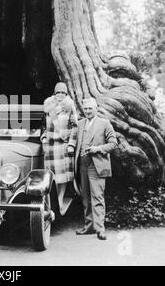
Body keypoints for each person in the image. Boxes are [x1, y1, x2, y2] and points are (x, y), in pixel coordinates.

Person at [68, 97, 117, 240]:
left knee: (98, 197)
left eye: (90, 108)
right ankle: (89, 226)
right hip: (82, 164)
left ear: (96, 109)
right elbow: (73, 139)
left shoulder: (105, 123)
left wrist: (98, 148)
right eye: (86, 109)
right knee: (85, 198)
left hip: (97, 166)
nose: (88, 111)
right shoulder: (80, 123)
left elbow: (113, 143)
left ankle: (100, 229)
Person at [41, 82, 78, 214]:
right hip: (50, 146)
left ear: (66, 94)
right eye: (58, 93)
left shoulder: (69, 106)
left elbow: (75, 126)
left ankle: (60, 200)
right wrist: (44, 137)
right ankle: (53, 203)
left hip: (63, 146)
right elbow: (44, 126)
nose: (60, 95)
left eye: (63, 92)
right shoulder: (48, 107)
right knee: (52, 177)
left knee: (62, 178)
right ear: (54, 94)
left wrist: (71, 144)